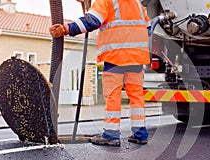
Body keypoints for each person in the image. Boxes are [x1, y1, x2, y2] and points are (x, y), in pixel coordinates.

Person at [49, 0, 151, 146]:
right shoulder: (137, 4)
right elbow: (148, 28)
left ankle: (111, 134)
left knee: (113, 95)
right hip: (137, 57)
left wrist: (66, 29)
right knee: (136, 96)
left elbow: (92, 20)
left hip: (116, 56)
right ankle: (140, 134)